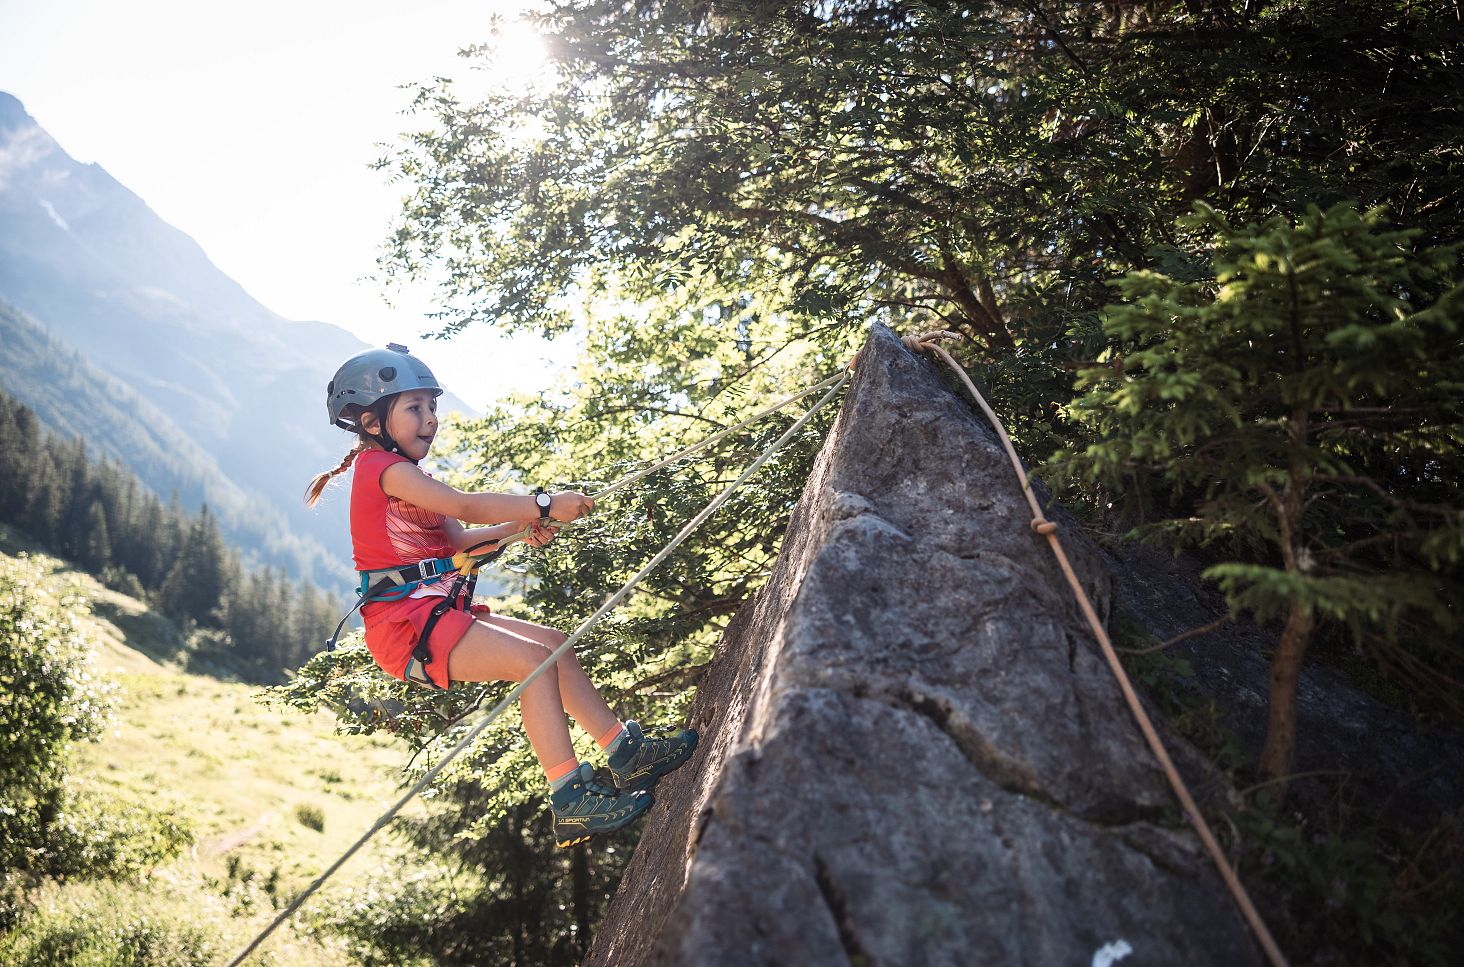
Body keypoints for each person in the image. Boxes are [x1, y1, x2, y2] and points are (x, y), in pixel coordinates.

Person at [306, 343, 697, 847]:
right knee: (533, 662)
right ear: (374, 422)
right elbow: (465, 505)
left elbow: (464, 540)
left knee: (554, 645)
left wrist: (528, 522)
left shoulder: (410, 475)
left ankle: (624, 753)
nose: (430, 419)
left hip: (431, 613)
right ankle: (569, 797)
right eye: (414, 408)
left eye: (432, 408)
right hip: (407, 627)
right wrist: (541, 504)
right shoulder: (383, 469)